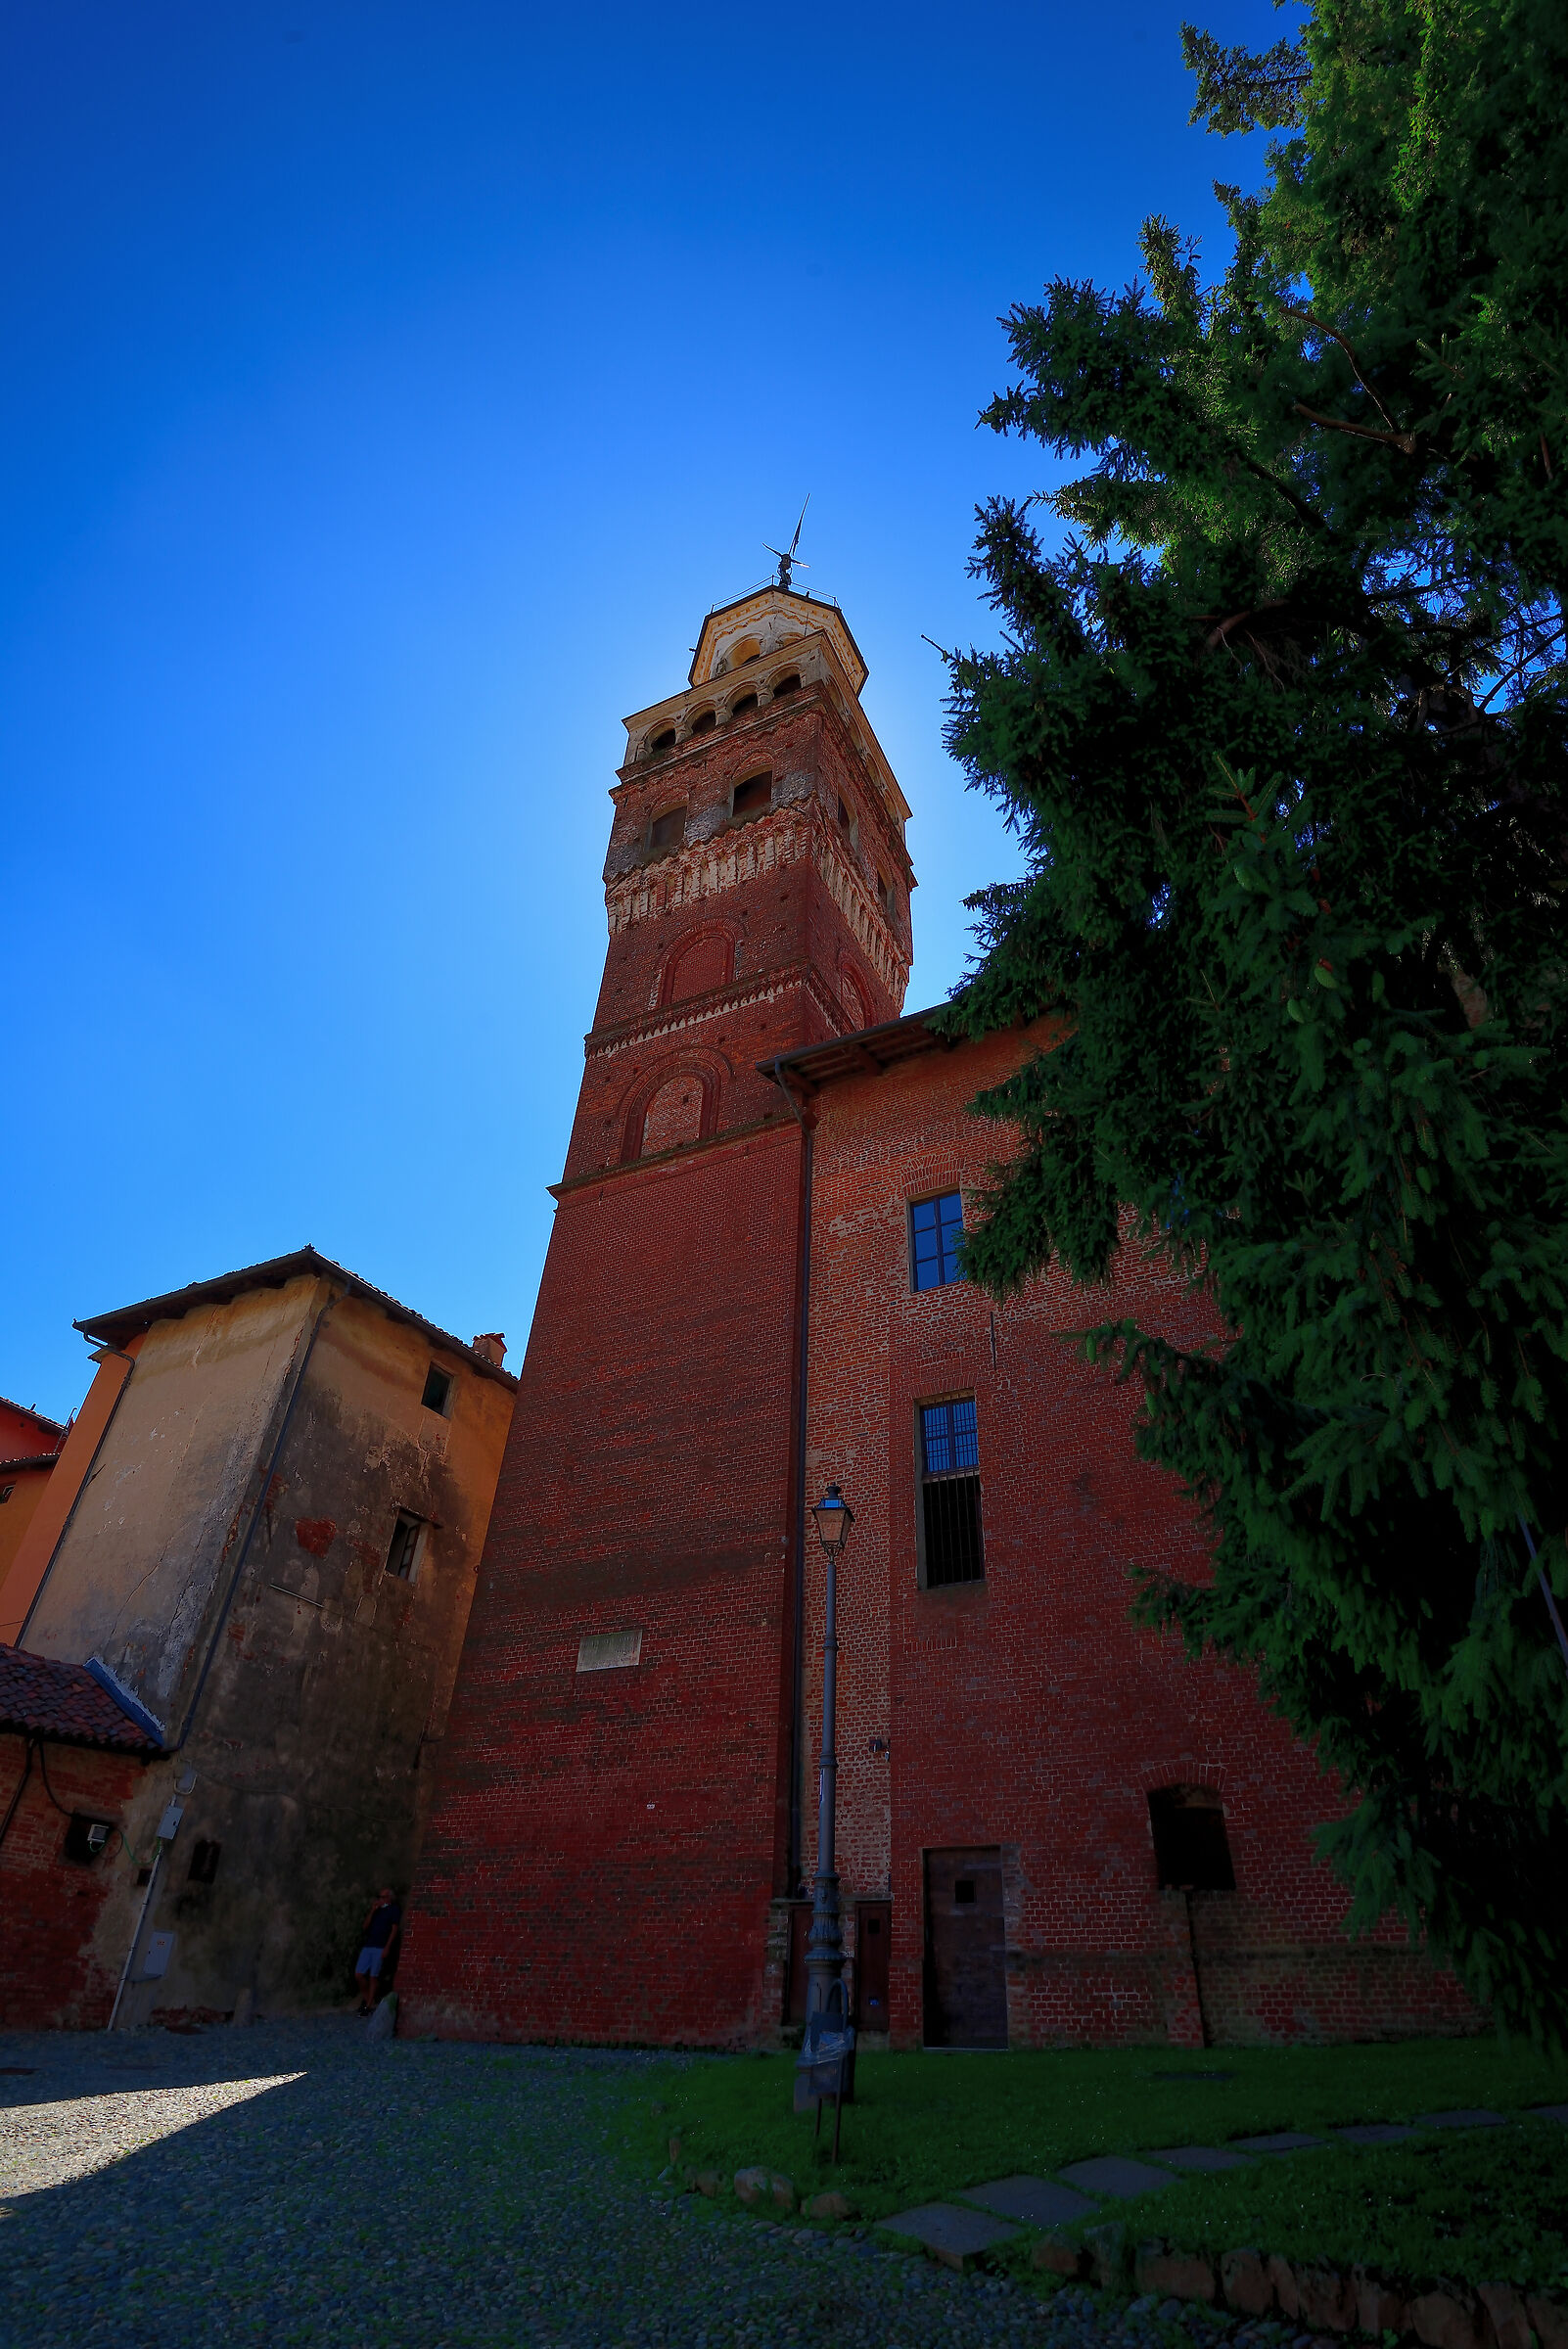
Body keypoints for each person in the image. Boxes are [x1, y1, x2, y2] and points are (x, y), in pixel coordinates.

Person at [354, 1888, 401, 2014]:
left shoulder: (393, 1910)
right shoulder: (376, 1911)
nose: (380, 1899)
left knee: (373, 1977)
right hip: (369, 1945)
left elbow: (394, 1930)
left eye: (383, 1897)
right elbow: (365, 1926)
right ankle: (368, 1999)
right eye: (379, 1897)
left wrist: (387, 1947)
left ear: (389, 1898)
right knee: (358, 1974)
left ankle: (368, 2006)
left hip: (380, 1946)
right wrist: (372, 1911)